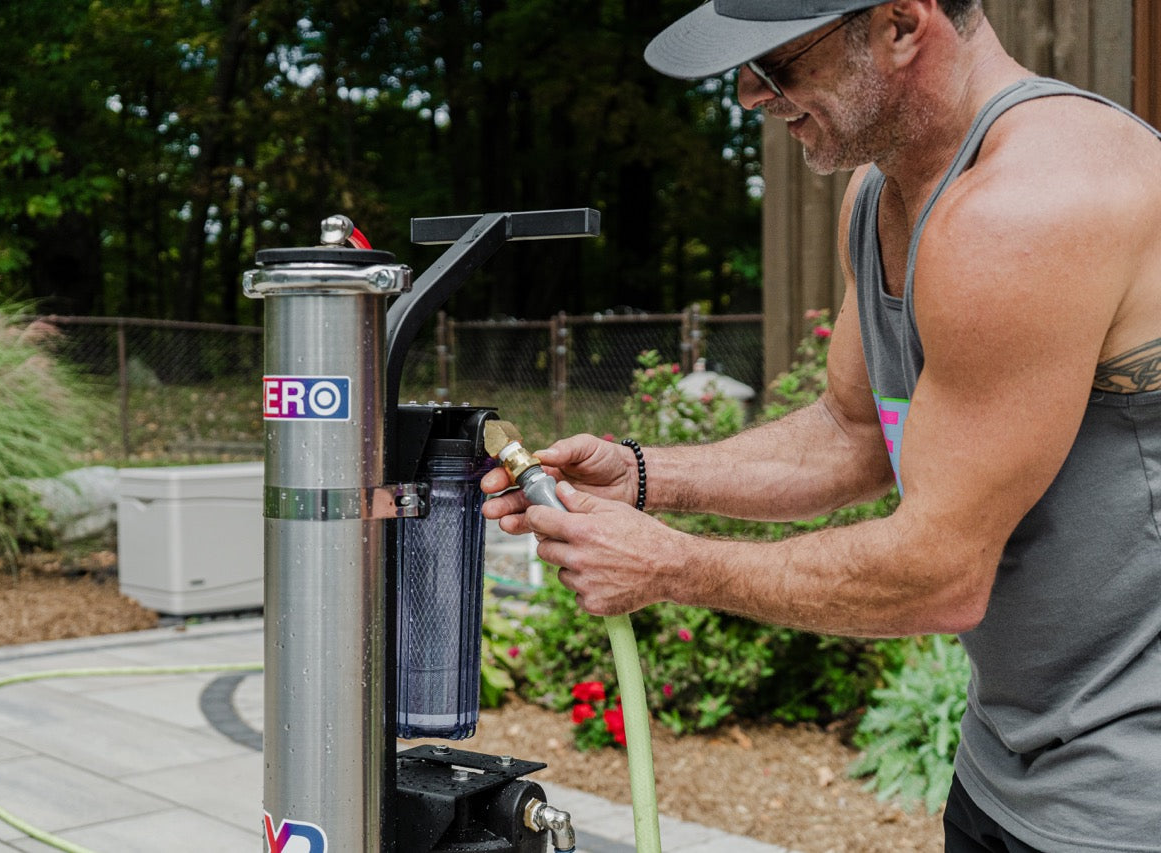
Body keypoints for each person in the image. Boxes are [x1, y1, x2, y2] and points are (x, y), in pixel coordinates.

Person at [480, 2, 1161, 850]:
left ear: (902, 27)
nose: (747, 95)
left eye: (776, 62)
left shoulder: (1031, 203)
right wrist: (645, 474)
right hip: (1006, 765)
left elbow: (944, 574)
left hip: (1127, 797)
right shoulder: (881, 198)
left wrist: (671, 564)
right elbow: (853, 435)